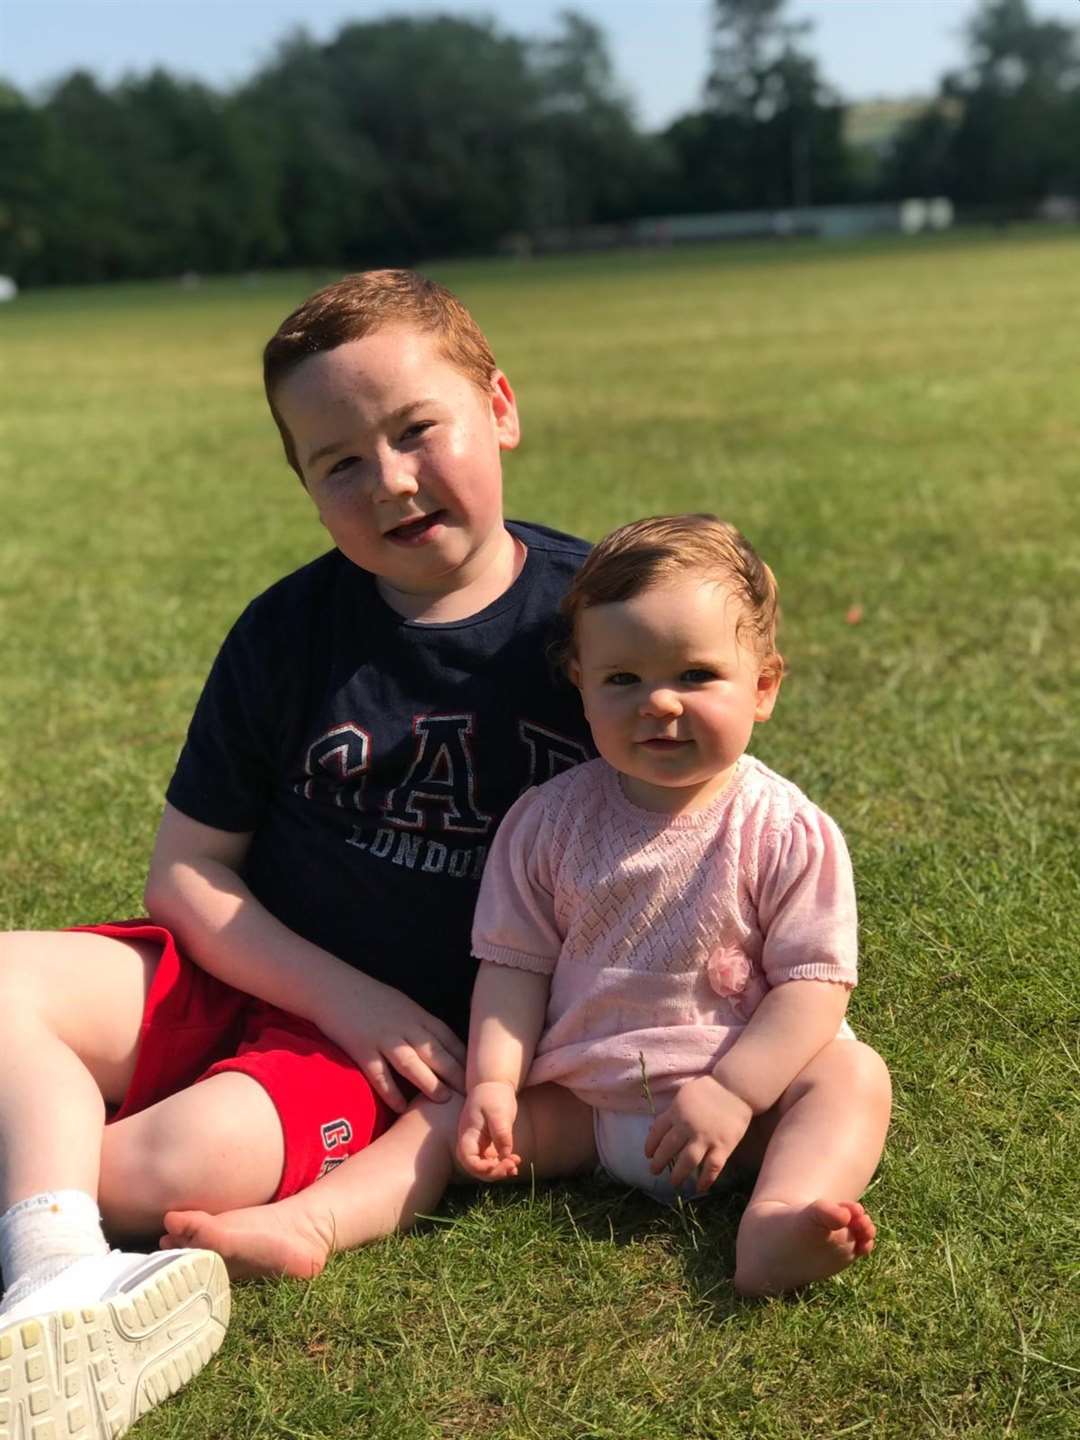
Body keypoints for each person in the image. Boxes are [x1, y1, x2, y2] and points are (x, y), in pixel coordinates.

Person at [0, 270, 592, 1437]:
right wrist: (346, 995)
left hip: (392, 1062)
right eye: (340, 464)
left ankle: (56, 1186)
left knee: (158, 1171)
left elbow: (702, 832)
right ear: (306, 488)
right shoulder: (288, 632)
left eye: (418, 429)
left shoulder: (597, 628)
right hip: (257, 971)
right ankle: (57, 1268)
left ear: (502, 407)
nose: (391, 481)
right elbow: (187, 873)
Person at [455, 514, 892, 1296]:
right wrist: (491, 1083)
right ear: (579, 683)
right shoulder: (546, 823)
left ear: (762, 688)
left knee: (852, 1078)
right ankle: (325, 1217)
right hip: (588, 1106)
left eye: (694, 676)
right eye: (623, 679)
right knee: (439, 1121)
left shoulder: (785, 828)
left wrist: (735, 1091)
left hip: (746, 1108)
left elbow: (814, 984)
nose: (659, 704)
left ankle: (777, 1220)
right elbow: (514, 967)